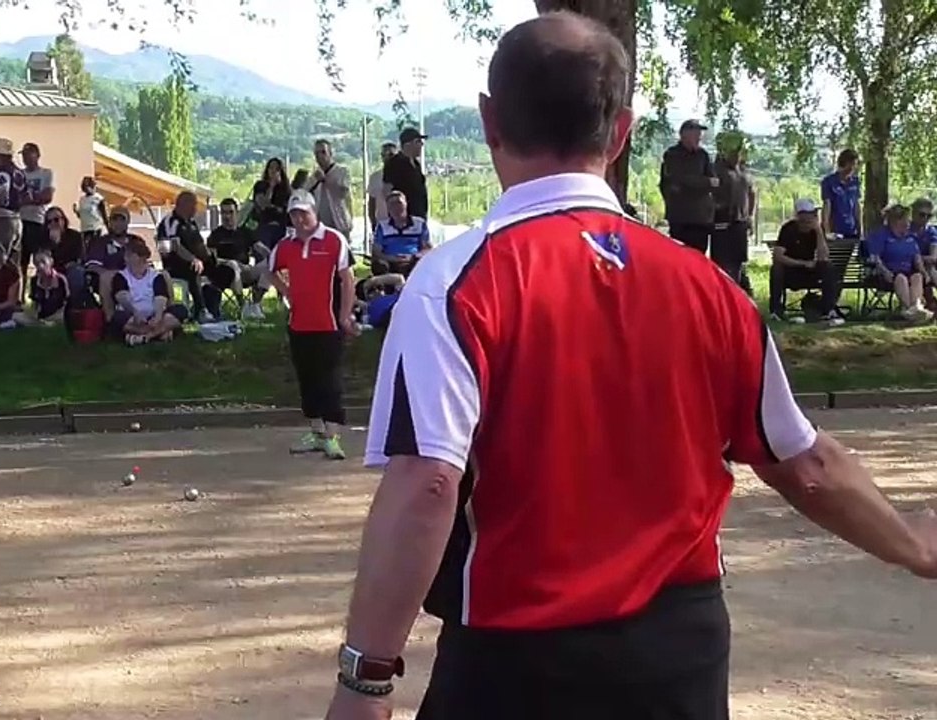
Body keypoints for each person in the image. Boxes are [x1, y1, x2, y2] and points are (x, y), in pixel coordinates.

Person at [327, 12, 937, 720]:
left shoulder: (452, 284)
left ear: (490, 121)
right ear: (621, 132)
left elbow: (428, 482)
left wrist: (365, 680)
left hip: (518, 659)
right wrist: (913, 545)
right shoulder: (711, 289)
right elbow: (805, 463)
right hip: (678, 655)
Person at [268, 189, 355, 461]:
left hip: (328, 323)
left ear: (313, 212)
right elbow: (270, 270)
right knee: (307, 380)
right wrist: (287, 291)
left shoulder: (333, 240)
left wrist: (345, 314)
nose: (299, 219)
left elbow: (348, 279)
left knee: (330, 380)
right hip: (299, 324)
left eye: (303, 213)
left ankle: (332, 436)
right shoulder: (286, 245)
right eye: (294, 215)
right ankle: (316, 432)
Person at [158, 190, 234, 321]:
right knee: (194, 269)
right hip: (174, 263)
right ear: (184, 205)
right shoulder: (171, 222)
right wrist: (193, 259)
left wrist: (210, 257)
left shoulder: (191, 223)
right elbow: (173, 247)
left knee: (225, 271)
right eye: (193, 205)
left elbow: (199, 244)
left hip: (196, 261)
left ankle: (212, 307)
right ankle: (201, 310)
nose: (196, 208)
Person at [768, 199, 846, 325]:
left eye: (810, 218)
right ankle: (776, 311)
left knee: (828, 267)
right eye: (803, 220)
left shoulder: (816, 229)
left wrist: (819, 232)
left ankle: (828, 310)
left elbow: (823, 256)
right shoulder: (788, 229)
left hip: (810, 272)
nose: (806, 223)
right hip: (792, 271)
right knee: (776, 269)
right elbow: (778, 256)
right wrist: (802, 263)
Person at [110, 240, 187, 345]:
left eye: (129, 255)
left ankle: (145, 337)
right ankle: (160, 333)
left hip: (154, 316)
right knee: (118, 318)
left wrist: (157, 317)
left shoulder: (155, 276)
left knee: (180, 310)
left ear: (140, 257)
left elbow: (160, 297)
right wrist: (135, 313)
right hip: (132, 316)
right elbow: (122, 297)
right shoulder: (121, 276)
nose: (125, 258)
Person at [863, 203, 932, 322]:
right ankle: (908, 309)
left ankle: (916, 307)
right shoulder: (881, 235)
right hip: (887, 273)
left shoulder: (911, 237)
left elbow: (917, 258)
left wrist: (924, 272)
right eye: (905, 220)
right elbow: (875, 258)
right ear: (896, 221)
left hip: (907, 270)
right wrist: (885, 271)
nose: (908, 223)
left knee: (917, 277)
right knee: (901, 278)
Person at [659, 118, 718, 253]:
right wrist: (705, 182)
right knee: (681, 255)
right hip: (681, 218)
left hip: (701, 219)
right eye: (696, 133)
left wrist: (703, 182)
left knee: (699, 256)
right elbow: (681, 180)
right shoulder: (673, 155)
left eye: (700, 133)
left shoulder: (703, 155)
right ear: (684, 134)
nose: (699, 137)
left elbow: (714, 181)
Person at [209, 197, 267, 320]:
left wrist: (273, 255)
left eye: (230, 212)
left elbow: (260, 248)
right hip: (227, 272)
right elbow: (211, 258)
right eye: (224, 213)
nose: (227, 216)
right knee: (234, 266)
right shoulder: (216, 235)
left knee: (270, 263)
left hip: (246, 270)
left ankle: (256, 304)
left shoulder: (245, 232)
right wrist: (229, 262)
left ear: (237, 212)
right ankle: (243, 306)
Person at [710, 131, 755, 285]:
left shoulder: (743, 171)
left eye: (740, 152)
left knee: (738, 261)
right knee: (721, 262)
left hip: (740, 222)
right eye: (734, 153)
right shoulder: (716, 169)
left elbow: (751, 193)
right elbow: (709, 193)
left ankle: (736, 288)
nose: (737, 156)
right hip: (722, 221)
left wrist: (750, 216)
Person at [81, 206, 137, 313]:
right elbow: (92, 266)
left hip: (136, 278)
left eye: (122, 220)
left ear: (128, 221)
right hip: (110, 281)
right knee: (106, 277)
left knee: (163, 275)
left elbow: (144, 261)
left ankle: (163, 315)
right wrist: (115, 274)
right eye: (114, 219)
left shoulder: (135, 241)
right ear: (109, 222)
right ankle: (110, 318)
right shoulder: (100, 242)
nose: (118, 223)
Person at [18, 142, 56, 296]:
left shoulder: (46, 173)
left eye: (29, 154)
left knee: (40, 259)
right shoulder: (19, 174)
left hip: (38, 220)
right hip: (20, 221)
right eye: (24, 155)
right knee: (21, 262)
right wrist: (33, 198)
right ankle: (20, 295)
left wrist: (30, 199)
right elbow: (16, 198)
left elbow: (47, 196)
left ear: (37, 155)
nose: (26, 158)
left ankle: (42, 292)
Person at [0, 137, 27, 257]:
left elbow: (1, 197)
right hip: (17, 219)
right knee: (12, 259)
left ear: (1, 156)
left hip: (2, 221)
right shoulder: (19, 173)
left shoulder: (3, 173)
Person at [371, 190, 431, 277]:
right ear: (388, 208)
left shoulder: (419, 224)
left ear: (406, 204)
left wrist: (413, 257)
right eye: (392, 204)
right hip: (390, 263)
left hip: (413, 262)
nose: (396, 207)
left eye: (399, 203)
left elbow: (427, 248)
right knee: (379, 266)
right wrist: (392, 258)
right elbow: (377, 251)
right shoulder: (382, 226)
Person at [304, 139, 354, 238]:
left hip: (339, 222)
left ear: (330, 153)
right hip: (320, 226)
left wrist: (325, 180)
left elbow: (342, 193)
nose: (320, 156)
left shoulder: (342, 171)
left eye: (323, 152)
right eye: (317, 153)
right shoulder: (314, 176)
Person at [383, 128, 429, 220]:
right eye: (418, 141)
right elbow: (387, 190)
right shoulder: (394, 163)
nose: (421, 145)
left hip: (419, 216)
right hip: (402, 218)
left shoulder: (416, 164)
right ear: (408, 144)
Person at [20, 249, 70, 326]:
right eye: (37, 263)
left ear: (51, 262)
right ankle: (43, 323)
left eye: (43, 262)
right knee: (17, 316)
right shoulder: (34, 280)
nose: (40, 266)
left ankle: (46, 323)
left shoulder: (61, 280)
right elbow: (35, 305)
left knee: (64, 316)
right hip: (41, 316)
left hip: (58, 314)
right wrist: (34, 314)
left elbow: (66, 303)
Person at [822, 148, 862, 241]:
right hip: (835, 230)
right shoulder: (829, 181)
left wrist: (860, 229)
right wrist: (827, 231)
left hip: (852, 230)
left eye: (854, 164)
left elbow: (857, 206)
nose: (852, 168)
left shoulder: (855, 182)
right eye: (851, 164)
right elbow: (827, 206)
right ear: (843, 163)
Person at [367, 142, 399, 225]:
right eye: (384, 155)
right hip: (382, 221)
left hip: (401, 222)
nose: (387, 158)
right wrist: (373, 222)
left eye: (391, 155)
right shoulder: (375, 177)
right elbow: (372, 203)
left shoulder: (405, 176)